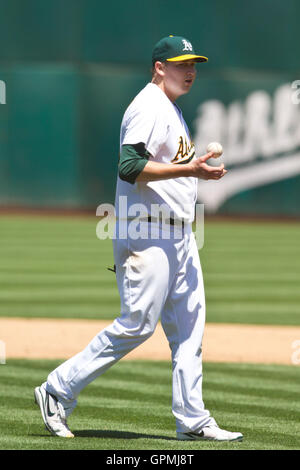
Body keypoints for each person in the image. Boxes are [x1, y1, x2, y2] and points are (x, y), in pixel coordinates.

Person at [34, 35, 243, 442]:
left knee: (189, 329)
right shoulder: (148, 106)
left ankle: (193, 420)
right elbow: (129, 166)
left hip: (180, 234)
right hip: (147, 231)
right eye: (181, 63)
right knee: (136, 325)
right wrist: (191, 172)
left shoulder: (170, 109)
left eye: (193, 64)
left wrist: (194, 167)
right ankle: (57, 390)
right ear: (158, 67)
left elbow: (163, 167)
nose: (190, 70)